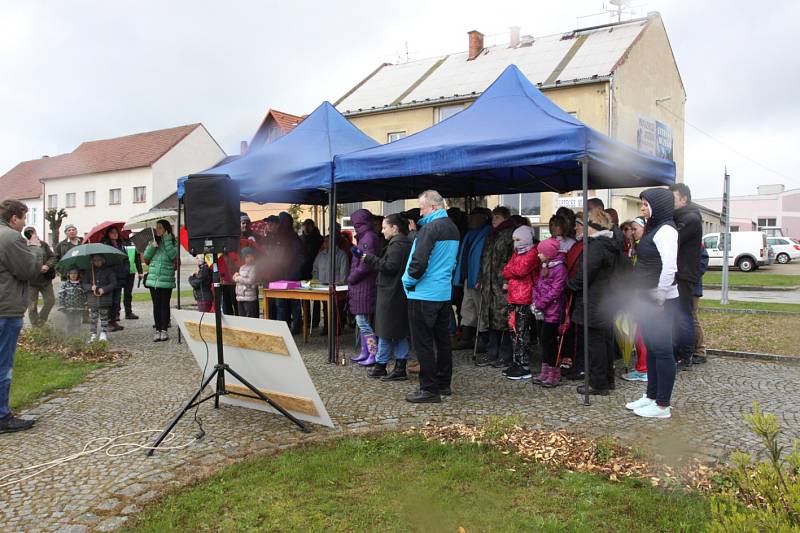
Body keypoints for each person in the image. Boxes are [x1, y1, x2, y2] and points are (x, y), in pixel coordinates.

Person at [625, 188, 679, 419]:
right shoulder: (653, 229)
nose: (642, 208)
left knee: (663, 351)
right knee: (653, 350)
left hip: (661, 300)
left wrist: (658, 296)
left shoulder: (666, 230)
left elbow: (669, 267)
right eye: (642, 204)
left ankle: (662, 405)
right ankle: (651, 396)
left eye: (646, 204)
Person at [402, 190, 460, 403]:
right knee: (443, 340)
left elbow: (418, 262)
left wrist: (408, 282)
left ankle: (428, 389)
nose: (420, 211)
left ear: (434, 207)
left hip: (423, 293)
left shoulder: (430, 228)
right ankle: (443, 383)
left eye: (422, 207)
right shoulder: (452, 228)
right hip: (442, 293)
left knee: (423, 343)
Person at [0, 199, 44, 433]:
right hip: (5, 309)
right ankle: (2, 416)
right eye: (24, 217)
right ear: (14, 218)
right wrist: (35, 247)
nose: (25, 223)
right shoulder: (10, 237)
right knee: (3, 363)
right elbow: (28, 270)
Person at [567, 209, 621, 396]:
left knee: (595, 344)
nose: (577, 227)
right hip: (604, 300)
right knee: (604, 342)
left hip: (594, 301)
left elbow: (584, 275)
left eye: (582, 224)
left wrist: (569, 286)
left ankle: (598, 384)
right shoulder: (608, 244)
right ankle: (606, 380)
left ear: (591, 227)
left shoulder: (596, 247)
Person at [360, 213, 413, 378]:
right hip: (394, 293)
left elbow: (390, 267)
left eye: (384, 227)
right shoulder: (401, 243)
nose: (382, 231)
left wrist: (368, 258)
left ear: (394, 228)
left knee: (387, 331)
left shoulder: (398, 245)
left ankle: (385, 366)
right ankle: (392, 366)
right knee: (394, 331)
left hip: (392, 294)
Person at [476, 206, 515, 368]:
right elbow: (484, 258)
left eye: (497, 217)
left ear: (505, 218)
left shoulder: (510, 235)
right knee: (491, 318)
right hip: (489, 283)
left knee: (504, 319)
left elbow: (512, 259)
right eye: (493, 216)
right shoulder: (490, 235)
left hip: (502, 284)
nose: (494, 219)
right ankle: (492, 353)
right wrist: (481, 277)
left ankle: (505, 355)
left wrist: (508, 279)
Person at [669, 183, 702, 370]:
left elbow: (674, 239)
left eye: (673, 199)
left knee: (683, 315)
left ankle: (685, 355)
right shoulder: (682, 217)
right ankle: (680, 352)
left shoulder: (690, 218)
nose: (670, 204)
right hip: (680, 272)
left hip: (683, 274)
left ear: (684, 199)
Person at [501, 225, 539, 380]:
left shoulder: (532, 253)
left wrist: (511, 272)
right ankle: (517, 361)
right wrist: (511, 271)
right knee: (514, 330)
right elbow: (507, 269)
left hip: (524, 297)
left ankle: (523, 364)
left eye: (518, 239)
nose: (515, 243)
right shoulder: (517, 253)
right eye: (514, 240)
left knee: (522, 331)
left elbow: (520, 270)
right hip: (513, 296)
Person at [452, 208, 491, 351]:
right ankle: (467, 337)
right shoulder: (470, 234)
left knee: (479, 307)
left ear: (483, 218)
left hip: (478, 277)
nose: (470, 220)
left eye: (473, 217)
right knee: (467, 307)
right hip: (468, 276)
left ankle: (482, 339)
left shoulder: (487, 234)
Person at [532, 237, 568, 387]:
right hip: (542, 311)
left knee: (550, 343)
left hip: (553, 313)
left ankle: (554, 373)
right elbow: (539, 285)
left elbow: (555, 290)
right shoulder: (546, 266)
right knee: (543, 342)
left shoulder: (559, 268)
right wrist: (535, 300)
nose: (538, 255)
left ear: (549, 253)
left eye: (541, 252)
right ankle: (545, 370)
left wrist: (540, 302)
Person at [348, 209, 383, 364]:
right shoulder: (365, 237)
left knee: (363, 321)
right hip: (360, 286)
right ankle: (365, 351)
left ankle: (372, 353)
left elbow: (366, 264)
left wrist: (352, 277)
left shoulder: (368, 237)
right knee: (361, 321)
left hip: (363, 285)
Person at [143, 219, 177, 342]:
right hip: (154, 279)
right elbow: (146, 257)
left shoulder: (173, 241)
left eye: (160, 227)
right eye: (157, 227)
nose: (157, 230)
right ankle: (157, 330)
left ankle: (164, 330)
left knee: (164, 305)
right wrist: (153, 246)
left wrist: (167, 241)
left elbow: (173, 256)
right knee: (156, 305)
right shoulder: (152, 241)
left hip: (166, 278)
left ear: (166, 229)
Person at [312, 231, 350, 336]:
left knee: (336, 308)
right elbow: (315, 268)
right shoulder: (321, 254)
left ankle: (336, 328)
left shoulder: (342, 255)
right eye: (325, 241)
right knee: (326, 308)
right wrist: (316, 281)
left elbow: (344, 271)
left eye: (327, 241)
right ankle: (326, 327)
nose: (325, 243)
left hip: (337, 286)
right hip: (323, 286)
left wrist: (341, 284)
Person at [22, 227, 56, 327]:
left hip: (45, 280)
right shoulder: (23, 246)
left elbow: (52, 257)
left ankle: (41, 321)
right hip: (31, 282)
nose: (32, 234)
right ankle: (36, 328)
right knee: (32, 307)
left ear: (36, 232)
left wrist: (47, 265)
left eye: (32, 232)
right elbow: (22, 262)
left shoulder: (43, 245)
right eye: (29, 233)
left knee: (50, 301)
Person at [101, 226, 129, 332]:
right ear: (108, 234)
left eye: (116, 232)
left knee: (116, 301)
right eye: (112, 232)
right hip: (110, 278)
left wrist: (126, 270)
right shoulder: (105, 246)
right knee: (110, 301)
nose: (115, 234)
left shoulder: (120, 245)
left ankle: (113, 320)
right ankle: (108, 322)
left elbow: (126, 259)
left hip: (120, 276)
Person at [82, 254, 115, 342]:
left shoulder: (108, 271)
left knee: (104, 316)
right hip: (92, 298)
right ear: (92, 261)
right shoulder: (89, 271)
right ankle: (93, 334)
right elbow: (84, 284)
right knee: (93, 317)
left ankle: (103, 332)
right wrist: (90, 287)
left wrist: (104, 289)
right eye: (95, 260)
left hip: (105, 298)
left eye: (99, 260)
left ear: (103, 260)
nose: (97, 262)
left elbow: (113, 283)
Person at [692, 245, 710, 364]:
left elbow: (702, 263)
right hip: (688, 285)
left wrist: (690, 278)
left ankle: (700, 350)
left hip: (691, 286)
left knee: (693, 318)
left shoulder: (696, 243)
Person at [58, 268, 86, 337]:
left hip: (79, 307)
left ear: (78, 275)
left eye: (75, 273)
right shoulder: (65, 284)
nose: (73, 275)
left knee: (78, 322)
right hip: (68, 308)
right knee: (69, 323)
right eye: (71, 273)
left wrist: (86, 304)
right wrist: (62, 306)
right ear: (68, 275)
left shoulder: (81, 284)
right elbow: (61, 295)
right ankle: (69, 337)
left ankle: (77, 337)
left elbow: (85, 295)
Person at [233, 247, 260, 318]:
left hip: (249, 298)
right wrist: (235, 276)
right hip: (240, 297)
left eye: (249, 256)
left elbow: (251, 280)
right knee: (242, 318)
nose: (248, 258)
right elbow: (236, 279)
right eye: (246, 257)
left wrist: (238, 278)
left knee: (251, 317)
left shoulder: (254, 267)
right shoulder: (241, 267)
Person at [121, 233, 143, 320]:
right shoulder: (118, 243)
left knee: (128, 294)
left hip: (131, 272)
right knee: (117, 295)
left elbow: (137, 259)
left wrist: (140, 271)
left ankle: (128, 312)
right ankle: (115, 314)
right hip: (119, 272)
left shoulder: (133, 243)